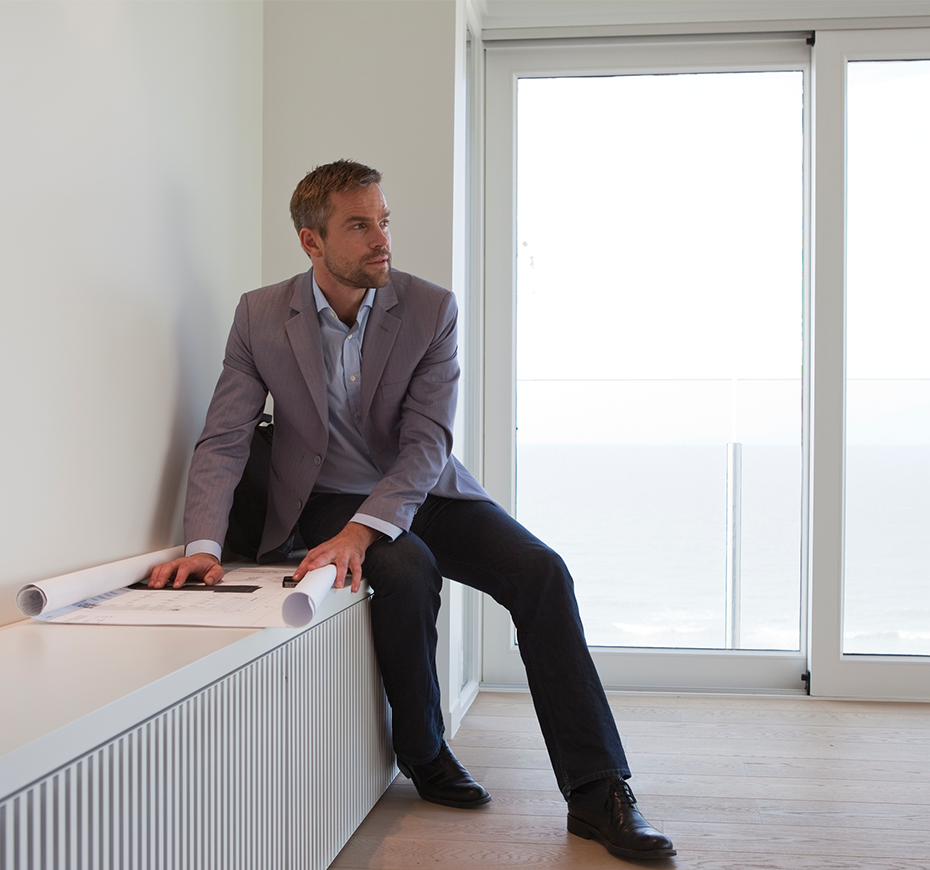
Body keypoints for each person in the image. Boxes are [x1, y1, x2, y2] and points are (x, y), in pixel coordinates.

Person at [148, 160, 676, 862]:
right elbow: (224, 437)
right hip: (325, 496)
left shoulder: (431, 309)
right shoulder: (260, 315)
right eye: (359, 225)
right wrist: (203, 546)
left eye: (384, 221)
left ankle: (597, 791)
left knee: (541, 572)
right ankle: (424, 751)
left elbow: (428, 442)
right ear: (312, 241)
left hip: (426, 488)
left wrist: (364, 530)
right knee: (406, 568)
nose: (381, 239)